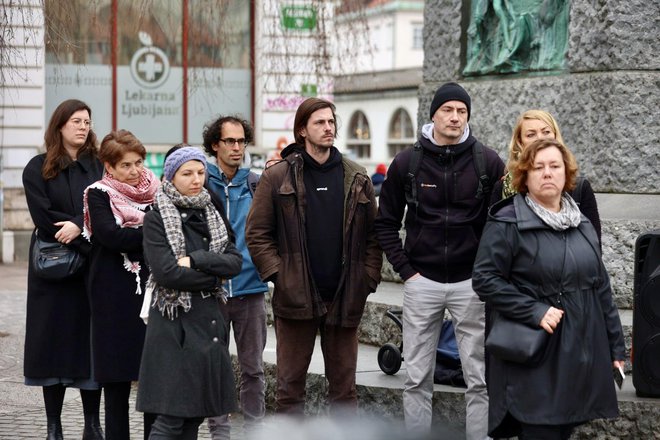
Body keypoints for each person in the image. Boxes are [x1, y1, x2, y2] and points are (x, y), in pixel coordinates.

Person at [375, 82, 504, 440]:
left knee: (479, 377)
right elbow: (385, 223)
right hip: (422, 281)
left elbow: (503, 223)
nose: (455, 117)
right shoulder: (407, 163)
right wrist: (407, 272)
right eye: (448, 110)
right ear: (433, 114)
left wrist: (485, 271)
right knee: (417, 376)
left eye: (462, 111)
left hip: (471, 283)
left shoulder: (488, 162)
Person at [472, 138, 625, 439]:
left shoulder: (581, 223)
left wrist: (615, 346)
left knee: (564, 430)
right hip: (537, 354)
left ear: (566, 174)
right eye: (537, 167)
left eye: (554, 166)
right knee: (541, 430)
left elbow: (600, 286)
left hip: (579, 353)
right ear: (524, 177)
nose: (547, 173)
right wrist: (534, 310)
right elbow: (484, 279)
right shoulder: (507, 222)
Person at [245, 97, 382, 415]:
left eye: (331, 121)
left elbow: (374, 236)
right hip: (295, 299)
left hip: (344, 296)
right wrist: (280, 276)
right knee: (290, 391)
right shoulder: (278, 176)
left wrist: (367, 278)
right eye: (320, 122)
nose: (328, 127)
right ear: (302, 130)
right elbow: (257, 234)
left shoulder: (357, 176)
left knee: (345, 392)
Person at [136, 147, 242, 439]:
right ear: (171, 176)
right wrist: (212, 280)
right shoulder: (156, 216)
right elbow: (166, 272)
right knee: (171, 418)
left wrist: (197, 260)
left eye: (200, 172)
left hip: (208, 323)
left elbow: (235, 262)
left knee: (193, 416)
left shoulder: (211, 210)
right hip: (174, 325)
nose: (196, 179)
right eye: (187, 173)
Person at [22, 99, 105, 440]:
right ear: (59, 126)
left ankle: (92, 425)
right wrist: (78, 229)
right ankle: (53, 427)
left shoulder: (99, 167)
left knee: (90, 348)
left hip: (91, 271)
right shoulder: (38, 167)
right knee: (52, 348)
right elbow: (43, 219)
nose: (83, 126)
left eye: (87, 120)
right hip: (52, 274)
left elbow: (108, 208)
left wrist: (79, 227)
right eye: (75, 120)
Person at [83, 129, 159, 439]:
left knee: (152, 378)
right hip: (112, 295)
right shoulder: (98, 192)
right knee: (115, 383)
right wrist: (152, 234)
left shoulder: (157, 190)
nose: (135, 171)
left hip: (152, 293)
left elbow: (168, 229)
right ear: (109, 166)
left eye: (138, 162)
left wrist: (144, 234)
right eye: (126, 165)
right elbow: (109, 236)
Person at [202, 116, 269, 439]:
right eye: (229, 141)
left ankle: (255, 431)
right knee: (216, 370)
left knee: (253, 369)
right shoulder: (200, 182)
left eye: (241, 141)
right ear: (215, 144)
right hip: (211, 293)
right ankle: (220, 434)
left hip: (251, 290)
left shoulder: (256, 183)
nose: (236, 147)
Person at [491, 109, 601, 242]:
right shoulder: (502, 188)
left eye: (546, 132)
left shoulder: (579, 188)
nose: (540, 139)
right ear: (520, 142)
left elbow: (594, 246)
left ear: (555, 136)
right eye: (531, 134)